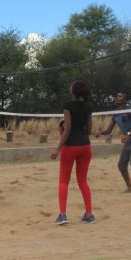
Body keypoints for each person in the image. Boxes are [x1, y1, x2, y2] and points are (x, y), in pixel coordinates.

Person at [51, 81, 95, 225]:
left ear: (73, 91)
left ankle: (63, 215)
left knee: (64, 181)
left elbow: (68, 129)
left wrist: (57, 149)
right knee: (83, 181)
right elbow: (89, 131)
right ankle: (89, 215)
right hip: (86, 146)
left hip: (71, 147)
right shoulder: (88, 107)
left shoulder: (68, 106)